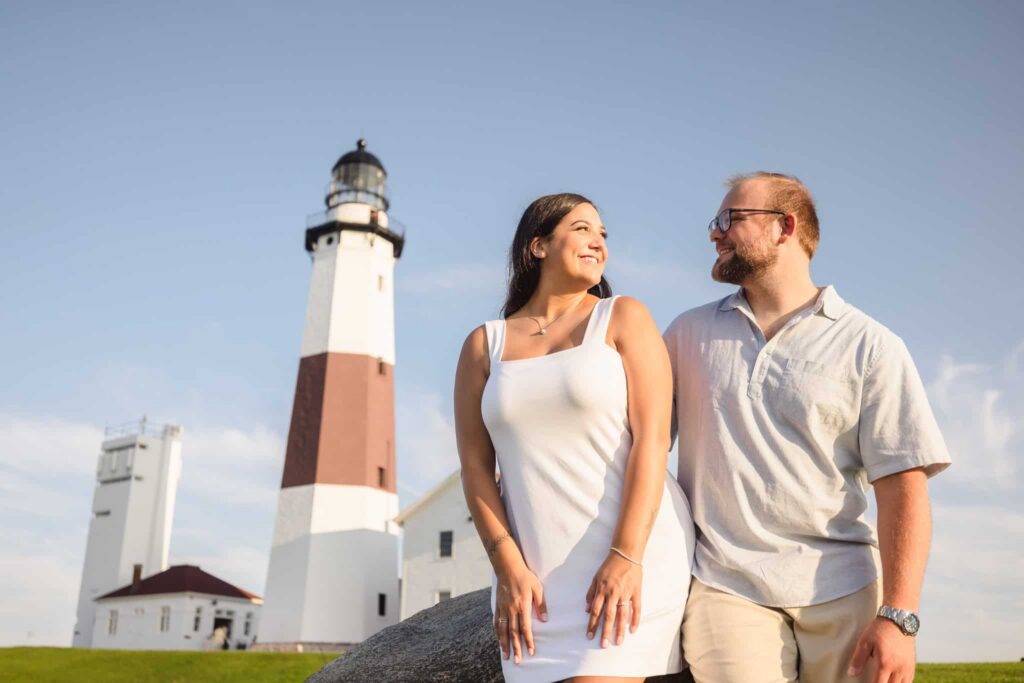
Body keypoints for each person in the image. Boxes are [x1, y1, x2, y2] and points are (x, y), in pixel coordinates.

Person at [664, 172, 952, 683]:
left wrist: (900, 618)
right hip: (726, 586)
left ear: (785, 227)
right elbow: (635, 447)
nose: (715, 232)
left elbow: (903, 486)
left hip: (844, 589)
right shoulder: (686, 334)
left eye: (730, 218)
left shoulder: (871, 345)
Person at [454, 193, 695, 682]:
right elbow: (476, 468)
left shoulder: (623, 317)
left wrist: (626, 556)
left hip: (630, 555)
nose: (598, 242)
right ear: (538, 245)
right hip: (535, 581)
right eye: (583, 229)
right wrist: (508, 568)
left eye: (603, 234)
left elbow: (653, 442)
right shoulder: (484, 344)